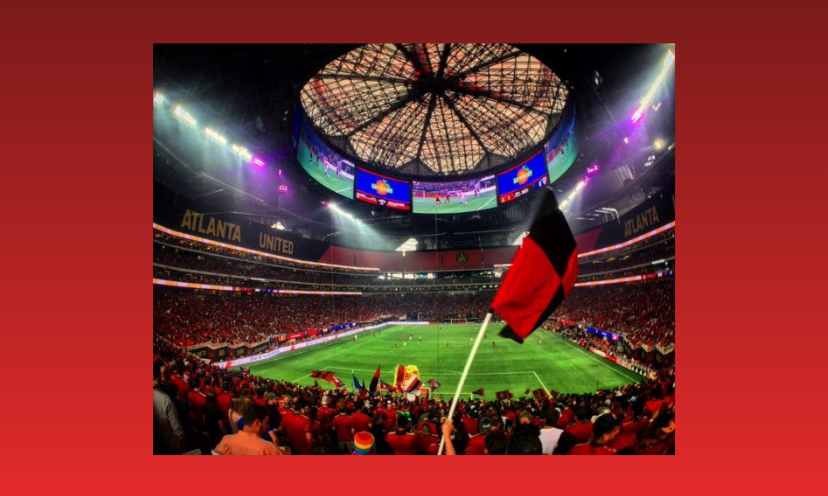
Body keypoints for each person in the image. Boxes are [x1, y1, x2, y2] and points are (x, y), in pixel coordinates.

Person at [215, 403, 282, 455]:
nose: (268, 426)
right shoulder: (270, 449)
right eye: (266, 423)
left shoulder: (226, 441)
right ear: (258, 424)